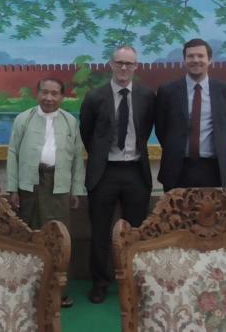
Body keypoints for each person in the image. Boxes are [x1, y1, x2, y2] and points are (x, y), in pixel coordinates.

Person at [79, 45, 155, 304]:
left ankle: (133, 281)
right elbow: (87, 133)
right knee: (100, 231)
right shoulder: (95, 96)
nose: (124, 67)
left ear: (136, 67)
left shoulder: (147, 96)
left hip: (136, 171)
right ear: (110, 64)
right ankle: (100, 283)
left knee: (135, 231)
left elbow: (147, 128)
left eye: (129, 63)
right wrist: (101, 156)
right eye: (119, 62)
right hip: (104, 172)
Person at [7, 78, 85, 308]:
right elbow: (12, 153)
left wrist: (76, 190)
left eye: (54, 93)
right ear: (37, 93)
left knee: (59, 237)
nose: (49, 98)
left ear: (62, 97)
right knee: (29, 235)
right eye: (44, 92)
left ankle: (59, 291)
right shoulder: (24, 119)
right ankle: (28, 290)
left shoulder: (70, 121)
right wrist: (12, 188)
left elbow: (77, 158)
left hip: (58, 185)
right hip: (29, 184)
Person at [155, 38, 226, 191]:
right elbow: (161, 128)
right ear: (184, 60)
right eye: (190, 56)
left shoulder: (225, 90)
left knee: (211, 208)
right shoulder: (167, 91)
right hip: (177, 168)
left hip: (213, 168)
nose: (195, 60)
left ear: (210, 60)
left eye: (200, 56)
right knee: (175, 208)